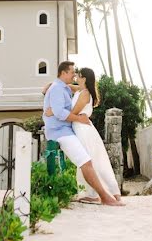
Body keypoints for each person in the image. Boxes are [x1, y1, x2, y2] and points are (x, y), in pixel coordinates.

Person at [43, 61, 123, 207]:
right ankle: (95, 194)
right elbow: (62, 100)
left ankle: (105, 194)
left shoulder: (80, 92)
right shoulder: (67, 89)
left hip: (81, 128)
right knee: (88, 160)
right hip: (68, 129)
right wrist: (49, 91)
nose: (74, 76)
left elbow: (67, 111)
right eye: (72, 72)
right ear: (64, 73)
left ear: (84, 79)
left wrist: (55, 111)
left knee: (91, 160)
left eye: (77, 74)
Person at [69, 67, 121, 202]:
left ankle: (93, 194)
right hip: (81, 127)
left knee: (88, 159)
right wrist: (56, 85)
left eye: (79, 76)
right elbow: (71, 87)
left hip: (83, 129)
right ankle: (103, 192)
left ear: (84, 78)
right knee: (91, 159)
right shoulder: (80, 91)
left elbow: (74, 111)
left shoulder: (85, 93)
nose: (76, 78)